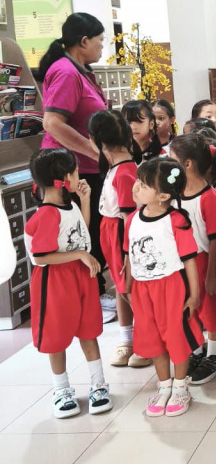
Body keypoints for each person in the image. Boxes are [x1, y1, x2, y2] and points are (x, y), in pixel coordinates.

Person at [24, 147, 111, 418]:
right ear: (64, 177)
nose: (79, 176)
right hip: (56, 280)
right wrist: (82, 255)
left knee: (88, 330)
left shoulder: (68, 204)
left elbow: (77, 232)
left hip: (79, 275)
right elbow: (41, 255)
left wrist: (84, 201)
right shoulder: (46, 214)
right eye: (75, 171)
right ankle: (61, 389)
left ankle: (99, 383)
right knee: (57, 336)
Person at [38, 12, 114, 316]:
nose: (102, 47)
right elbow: (53, 123)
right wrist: (93, 149)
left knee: (92, 231)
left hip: (89, 168)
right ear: (83, 41)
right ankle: (87, 298)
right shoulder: (66, 72)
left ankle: (92, 293)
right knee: (77, 235)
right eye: (99, 41)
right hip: (69, 171)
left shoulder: (81, 70)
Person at [124, 158, 203, 418]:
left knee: (175, 336)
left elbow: (189, 259)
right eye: (138, 181)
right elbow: (129, 253)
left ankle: (180, 387)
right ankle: (164, 385)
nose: (136, 187)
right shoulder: (133, 218)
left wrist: (194, 294)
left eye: (144, 185)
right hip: (143, 290)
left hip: (171, 287)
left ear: (164, 195)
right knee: (152, 337)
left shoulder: (176, 220)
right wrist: (127, 284)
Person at [89, 110, 151, 369]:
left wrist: (127, 255)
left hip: (120, 238)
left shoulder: (125, 171)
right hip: (112, 234)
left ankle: (147, 342)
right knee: (121, 289)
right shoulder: (118, 168)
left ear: (97, 141)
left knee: (131, 291)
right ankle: (127, 339)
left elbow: (129, 218)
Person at [169, 135, 216, 385]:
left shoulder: (209, 197)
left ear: (188, 164)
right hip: (182, 264)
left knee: (211, 311)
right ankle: (196, 349)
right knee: (189, 308)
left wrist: (210, 275)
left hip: (203, 262)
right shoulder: (174, 193)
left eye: (172, 159)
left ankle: (215, 356)